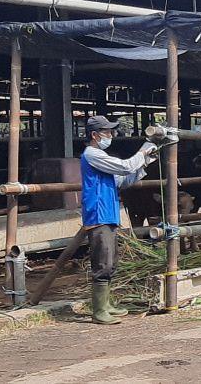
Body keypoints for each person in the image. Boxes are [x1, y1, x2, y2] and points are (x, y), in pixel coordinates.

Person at [81, 116, 159, 325]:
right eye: (107, 132)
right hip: (99, 214)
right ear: (95, 135)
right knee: (103, 263)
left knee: (111, 261)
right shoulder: (92, 155)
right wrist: (143, 151)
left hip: (108, 213)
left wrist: (145, 162)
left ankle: (106, 305)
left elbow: (123, 180)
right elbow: (125, 167)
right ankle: (99, 310)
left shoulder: (101, 156)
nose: (111, 135)